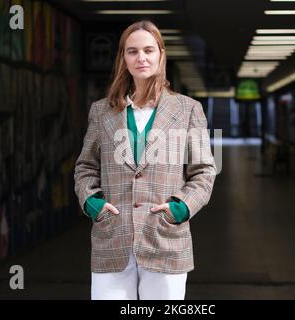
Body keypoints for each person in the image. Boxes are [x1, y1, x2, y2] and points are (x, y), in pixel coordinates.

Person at [74, 20, 216, 300]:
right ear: (123, 59)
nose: (141, 58)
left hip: (165, 239)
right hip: (112, 239)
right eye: (132, 51)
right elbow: (85, 167)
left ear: (161, 55)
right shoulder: (101, 111)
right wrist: (92, 203)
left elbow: (204, 171)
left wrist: (180, 208)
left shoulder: (188, 110)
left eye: (149, 50)